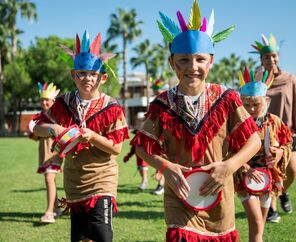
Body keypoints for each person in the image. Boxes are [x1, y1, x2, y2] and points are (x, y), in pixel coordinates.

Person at [131, 1, 261, 241]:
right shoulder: (162, 103)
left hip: (219, 197)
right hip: (178, 197)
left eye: (200, 60)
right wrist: (164, 167)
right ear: (172, 62)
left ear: (210, 61)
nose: (193, 67)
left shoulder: (227, 98)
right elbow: (141, 146)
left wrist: (229, 167)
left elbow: (254, 141)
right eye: (183, 60)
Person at [33, 30, 129, 242]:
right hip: (74, 181)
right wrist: (53, 129)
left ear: (102, 78)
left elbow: (116, 148)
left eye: (93, 74)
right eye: (82, 73)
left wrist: (93, 136)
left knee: (102, 235)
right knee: (80, 238)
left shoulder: (111, 106)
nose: (87, 78)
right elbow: (35, 126)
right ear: (73, 75)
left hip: (103, 180)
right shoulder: (63, 103)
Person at [234, 67, 292, 242]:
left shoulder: (275, 122)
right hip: (245, 179)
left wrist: (280, 153)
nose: (251, 108)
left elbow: (288, 143)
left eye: (256, 104)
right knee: (257, 221)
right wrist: (245, 168)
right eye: (247, 104)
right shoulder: (237, 124)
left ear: (264, 100)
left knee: (259, 228)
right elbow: (228, 152)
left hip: (269, 179)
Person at [251, 34, 296, 221]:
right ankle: (271, 209)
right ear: (261, 59)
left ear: (278, 56)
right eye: (266, 57)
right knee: (270, 170)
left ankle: (282, 192)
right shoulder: (257, 80)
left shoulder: (289, 79)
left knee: (292, 170)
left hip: (289, 132)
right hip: (265, 133)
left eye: (273, 56)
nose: (271, 59)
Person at [29, 82, 63, 224]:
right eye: (42, 100)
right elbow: (35, 136)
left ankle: (49, 212)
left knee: (49, 179)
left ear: (53, 101)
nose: (44, 102)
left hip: (54, 153)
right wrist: (33, 131)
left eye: (47, 100)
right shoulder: (38, 117)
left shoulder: (58, 116)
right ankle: (57, 208)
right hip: (44, 154)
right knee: (50, 181)